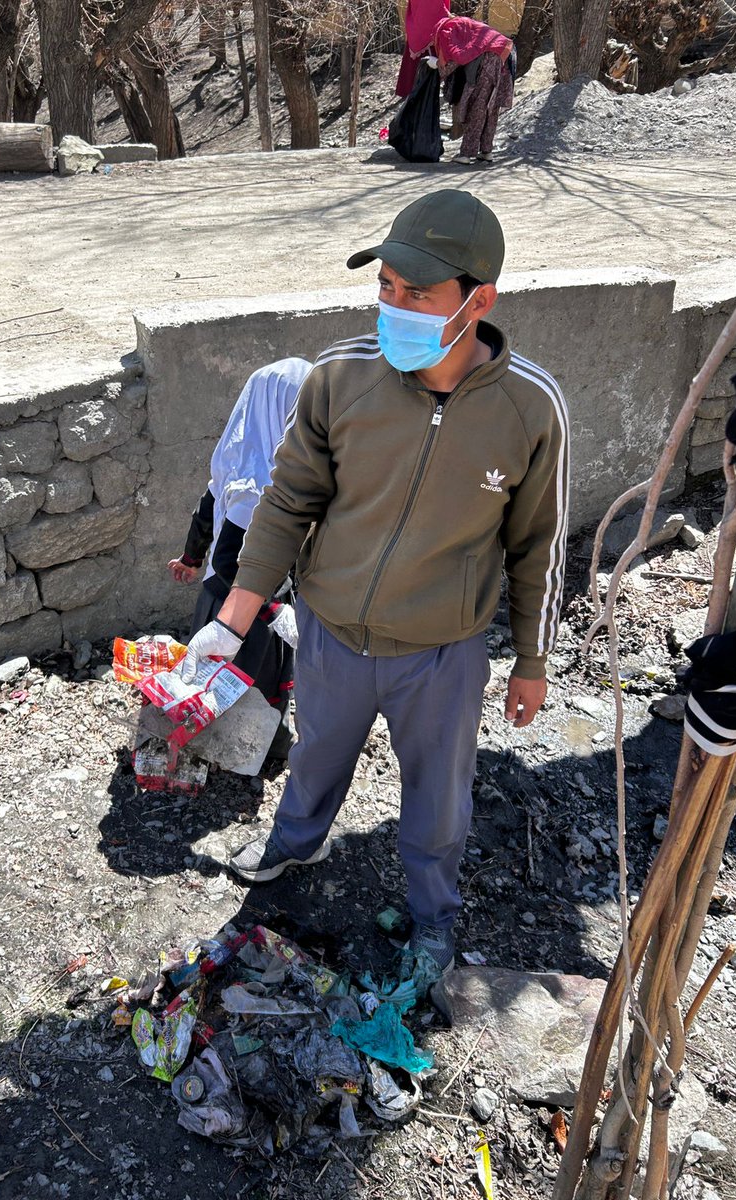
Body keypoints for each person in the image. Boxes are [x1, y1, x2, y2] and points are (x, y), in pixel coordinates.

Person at [181, 189, 568, 1003]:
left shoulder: (529, 408)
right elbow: (288, 503)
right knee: (317, 750)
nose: (394, 307)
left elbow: (537, 544)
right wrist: (233, 617)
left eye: (416, 293)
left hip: (441, 652)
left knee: (438, 798)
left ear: (479, 299)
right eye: (385, 286)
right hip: (330, 632)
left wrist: (532, 659)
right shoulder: (340, 379)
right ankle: (296, 843)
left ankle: (434, 915)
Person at [168, 357, 312, 759]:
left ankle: (207, 738)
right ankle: (257, 751)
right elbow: (237, 562)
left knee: (212, 678)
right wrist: (271, 608)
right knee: (251, 683)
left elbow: (207, 508)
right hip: (247, 610)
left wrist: (191, 558)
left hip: (216, 598)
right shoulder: (266, 481)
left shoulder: (235, 459)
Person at [432, 15, 514, 164]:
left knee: (477, 107)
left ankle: (466, 154)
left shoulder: (446, 31)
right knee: (491, 108)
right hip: (505, 57)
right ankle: (486, 151)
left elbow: (459, 58)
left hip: (488, 60)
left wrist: (437, 66)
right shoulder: (464, 25)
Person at [395, 0, 451, 98]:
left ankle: (412, 91)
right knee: (429, 62)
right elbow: (433, 7)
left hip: (417, 27)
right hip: (428, 28)